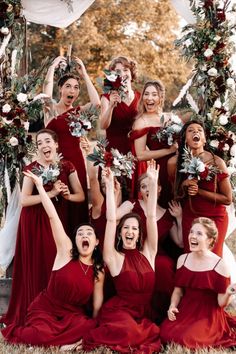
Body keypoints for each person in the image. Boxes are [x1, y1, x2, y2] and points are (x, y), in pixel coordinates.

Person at [1, 170, 104, 350]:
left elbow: (97, 300)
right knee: (39, 333)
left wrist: (94, 323)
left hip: (71, 315)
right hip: (45, 311)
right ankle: (65, 345)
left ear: (96, 242)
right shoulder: (66, 250)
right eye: (80, 233)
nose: (84, 236)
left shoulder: (97, 268)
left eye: (89, 233)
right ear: (75, 240)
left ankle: (63, 342)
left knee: (89, 326)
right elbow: (52, 216)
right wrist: (40, 187)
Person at [1, 129, 85, 326]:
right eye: (40, 143)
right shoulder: (32, 169)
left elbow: (80, 195)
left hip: (58, 219)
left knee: (58, 263)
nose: (44, 145)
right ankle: (35, 311)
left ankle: (56, 310)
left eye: (48, 141)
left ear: (56, 144)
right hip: (35, 222)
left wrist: (66, 196)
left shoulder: (67, 166)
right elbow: (24, 200)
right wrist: (51, 192)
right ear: (37, 148)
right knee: (42, 261)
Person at [84, 161, 161, 353]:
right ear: (120, 233)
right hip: (120, 312)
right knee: (130, 333)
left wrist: (152, 182)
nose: (130, 231)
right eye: (126, 227)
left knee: (159, 330)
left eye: (134, 228)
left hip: (145, 311)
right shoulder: (114, 257)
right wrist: (109, 186)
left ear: (139, 234)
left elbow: (151, 217)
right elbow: (111, 219)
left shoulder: (149, 252)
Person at [160, 217, 236, 349]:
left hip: (208, 315)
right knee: (165, 333)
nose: (192, 236)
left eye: (199, 233)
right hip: (186, 310)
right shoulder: (182, 260)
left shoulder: (220, 265)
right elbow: (178, 291)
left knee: (187, 339)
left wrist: (229, 293)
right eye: (191, 232)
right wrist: (172, 306)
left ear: (210, 240)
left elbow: (220, 303)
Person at [43, 55, 100, 227]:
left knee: (77, 205)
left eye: (76, 88)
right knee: (59, 204)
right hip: (56, 163)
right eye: (68, 86)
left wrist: (84, 74)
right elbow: (45, 93)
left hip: (77, 163)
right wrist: (52, 68)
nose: (72, 91)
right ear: (60, 89)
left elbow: (96, 103)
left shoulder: (78, 112)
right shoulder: (50, 109)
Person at [118, 171, 183, 322]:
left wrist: (179, 217)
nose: (147, 189)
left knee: (164, 266)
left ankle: (163, 314)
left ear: (159, 188)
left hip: (155, 255)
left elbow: (180, 242)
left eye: (151, 185)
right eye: (143, 186)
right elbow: (115, 219)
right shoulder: (133, 205)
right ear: (139, 190)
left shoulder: (166, 214)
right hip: (132, 252)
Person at [168, 119, 232, 256]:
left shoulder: (217, 162)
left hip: (215, 219)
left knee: (211, 260)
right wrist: (184, 185)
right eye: (190, 131)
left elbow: (228, 199)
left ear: (204, 139)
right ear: (185, 139)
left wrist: (199, 192)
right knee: (191, 257)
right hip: (191, 216)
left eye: (199, 130)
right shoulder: (174, 163)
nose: (195, 132)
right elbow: (176, 195)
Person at [129, 80, 178, 206]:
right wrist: (169, 151)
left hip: (178, 169)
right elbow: (140, 155)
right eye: (146, 94)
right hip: (160, 171)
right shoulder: (141, 122)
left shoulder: (170, 117)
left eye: (154, 94)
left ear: (161, 97)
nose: (149, 98)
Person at [100, 56, 140, 155]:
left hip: (135, 151)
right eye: (117, 71)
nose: (122, 74)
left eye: (125, 70)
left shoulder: (140, 98)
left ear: (131, 73)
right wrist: (111, 106)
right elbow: (103, 125)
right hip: (114, 152)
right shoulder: (107, 97)